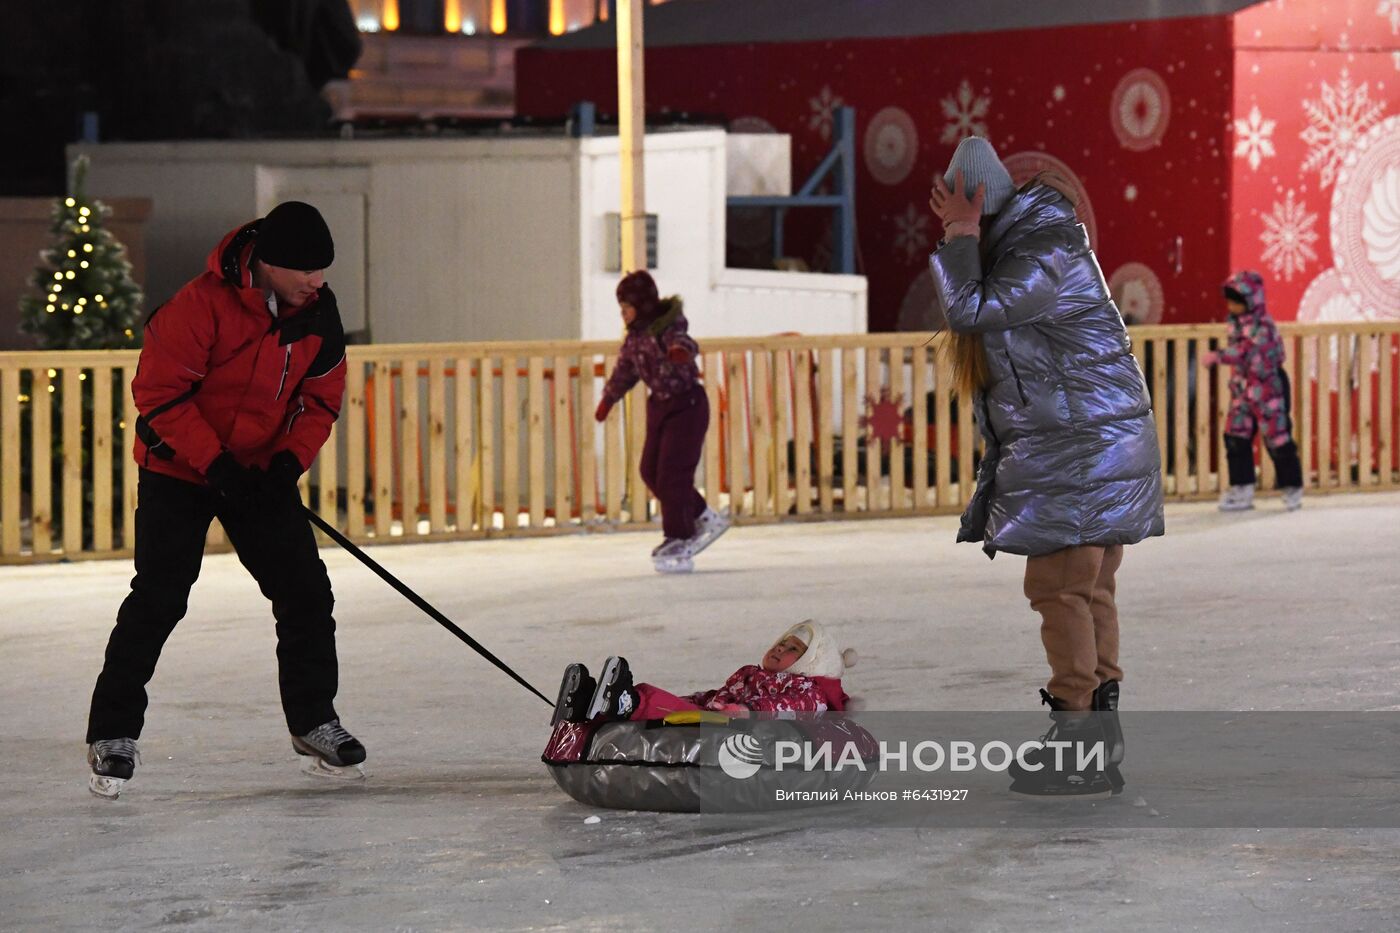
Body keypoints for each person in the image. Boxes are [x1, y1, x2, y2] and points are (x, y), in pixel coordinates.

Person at [85, 201, 360, 798]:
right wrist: (216, 464)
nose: (318, 281)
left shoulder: (319, 314)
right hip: (177, 470)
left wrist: (287, 463)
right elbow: (158, 395)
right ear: (268, 264)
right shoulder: (199, 305)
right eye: (306, 271)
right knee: (159, 595)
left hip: (259, 473)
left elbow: (322, 398)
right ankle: (111, 733)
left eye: (323, 270)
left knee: (305, 589)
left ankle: (314, 721)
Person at [927, 137, 1165, 797]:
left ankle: (1080, 746)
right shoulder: (1040, 244)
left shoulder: (1039, 253)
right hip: (1093, 449)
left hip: (1081, 455)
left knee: (1060, 588)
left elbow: (968, 309)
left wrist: (960, 235)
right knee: (1086, 590)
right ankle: (1097, 740)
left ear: (980, 202)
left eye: (955, 207)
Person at [595, 270, 729, 573]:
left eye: (627, 308)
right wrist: (608, 399)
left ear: (641, 306)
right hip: (660, 406)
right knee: (649, 471)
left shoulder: (667, 326)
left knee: (673, 475)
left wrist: (680, 352)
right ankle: (704, 516)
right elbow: (624, 373)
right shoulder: (634, 339)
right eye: (621, 309)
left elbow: (685, 340)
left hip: (687, 405)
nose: (624, 314)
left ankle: (679, 537)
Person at [550, 621, 855, 724]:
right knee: (654, 694)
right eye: (780, 642)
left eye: (793, 649)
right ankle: (591, 703)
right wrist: (692, 699)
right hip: (717, 716)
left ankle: (625, 703)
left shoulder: (808, 691)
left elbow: (786, 709)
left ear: (810, 663)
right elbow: (715, 696)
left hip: (736, 730)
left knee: (655, 703)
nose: (779, 649)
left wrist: (748, 711)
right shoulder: (751, 674)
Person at [1202, 271, 1304, 512]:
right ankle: (1242, 487)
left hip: (1268, 388)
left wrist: (1218, 356)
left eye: (1236, 301)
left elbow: (1248, 352)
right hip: (1244, 389)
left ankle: (1292, 486)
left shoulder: (1263, 326)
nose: (1231, 306)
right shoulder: (1235, 323)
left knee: (1278, 438)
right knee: (1236, 436)